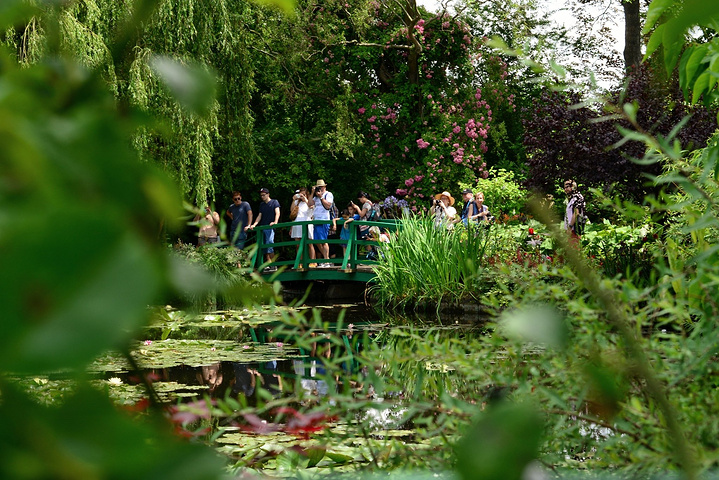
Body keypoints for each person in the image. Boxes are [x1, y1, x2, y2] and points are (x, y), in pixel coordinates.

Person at [248, 187, 280, 269]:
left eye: (264, 195)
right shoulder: (262, 205)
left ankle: (273, 264)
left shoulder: (274, 202)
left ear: (268, 194)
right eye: (261, 195)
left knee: (269, 244)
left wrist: (275, 222)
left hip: (270, 227)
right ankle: (268, 263)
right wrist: (254, 224)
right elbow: (260, 216)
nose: (262, 197)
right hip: (263, 227)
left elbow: (277, 213)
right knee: (264, 246)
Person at [290, 188, 316, 266]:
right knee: (298, 244)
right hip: (297, 224)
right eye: (300, 194)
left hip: (307, 224)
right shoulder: (296, 202)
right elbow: (291, 211)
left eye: (304, 194)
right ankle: (299, 263)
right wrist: (293, 200)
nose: (302, 196)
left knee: (309, 244)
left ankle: (312, 262)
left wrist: (306, 200)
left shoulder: (309, 202)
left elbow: (311, 209)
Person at [312, 179, 334, 268]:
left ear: (324, 186)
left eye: (320, 187)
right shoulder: (315, 196)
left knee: (323, 240)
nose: (319, 189)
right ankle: (326, 259)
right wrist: (312, 192)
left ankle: (326, 261)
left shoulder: (328, 194)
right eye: (318, 187)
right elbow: (310, 203)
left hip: (324, 219)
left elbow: (328, 205)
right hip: (316, 220)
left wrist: (321, 197)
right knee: (317, 241)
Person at [563, 179, 586, 244]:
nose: (565, 190)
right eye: (564, 188)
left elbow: (576, 213)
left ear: (573, 186)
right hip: (570, 229)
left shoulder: (577, 197)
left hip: (574, 229)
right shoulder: (572, 198)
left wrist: (570, 227)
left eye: (567, 187)